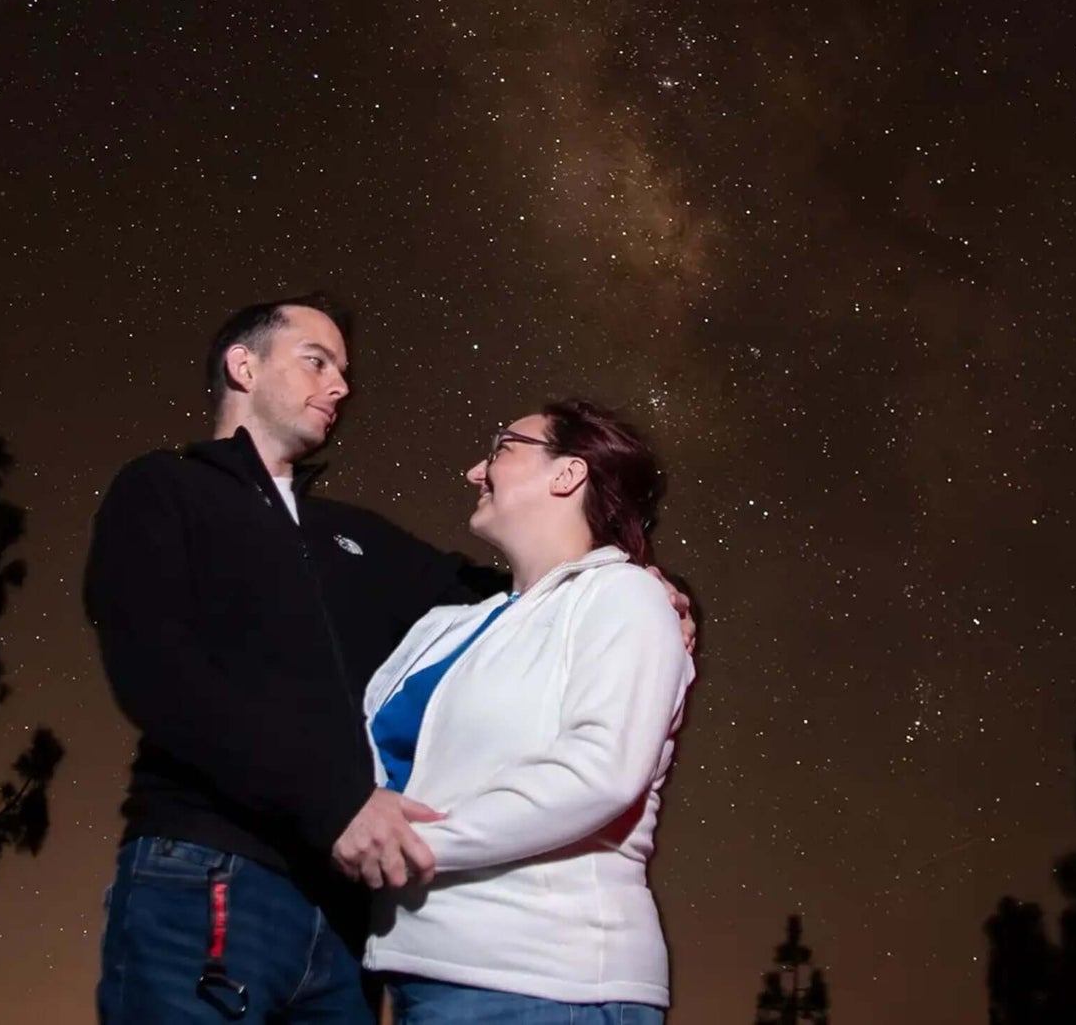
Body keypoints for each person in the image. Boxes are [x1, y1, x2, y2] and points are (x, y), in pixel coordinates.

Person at [86, 295, 695, 1023]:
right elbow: (157, 675)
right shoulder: (167, 489)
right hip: (217, 863)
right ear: (242, 365)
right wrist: (332, 803)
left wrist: (650, 578)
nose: (341, 384)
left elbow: (526, 592)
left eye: (345, 370)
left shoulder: (362, 539)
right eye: (316, 360)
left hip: (350, 916)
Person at [359, 400, 692, 1025]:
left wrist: (405, 845)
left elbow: (601, 771)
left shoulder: (626, 597)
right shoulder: (443, 627)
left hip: (548, 983)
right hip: (420, 974)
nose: (473, 472)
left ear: (568, 475)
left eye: (501, 449)